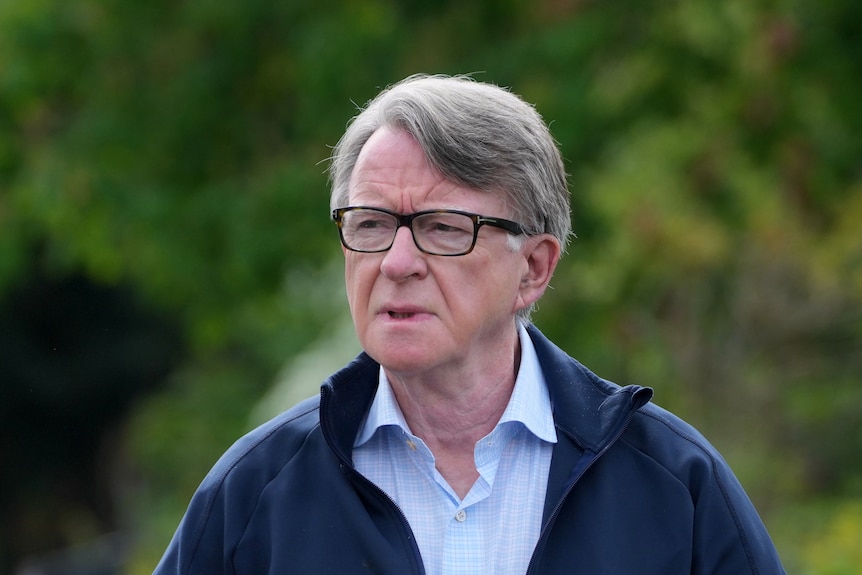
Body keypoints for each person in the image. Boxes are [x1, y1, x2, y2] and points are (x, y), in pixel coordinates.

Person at [154, 74, 786, 574]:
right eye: (371, 224)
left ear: (533, 269)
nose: (397, 263)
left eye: (444, 229)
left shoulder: (674, 487)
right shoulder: (256, 493)